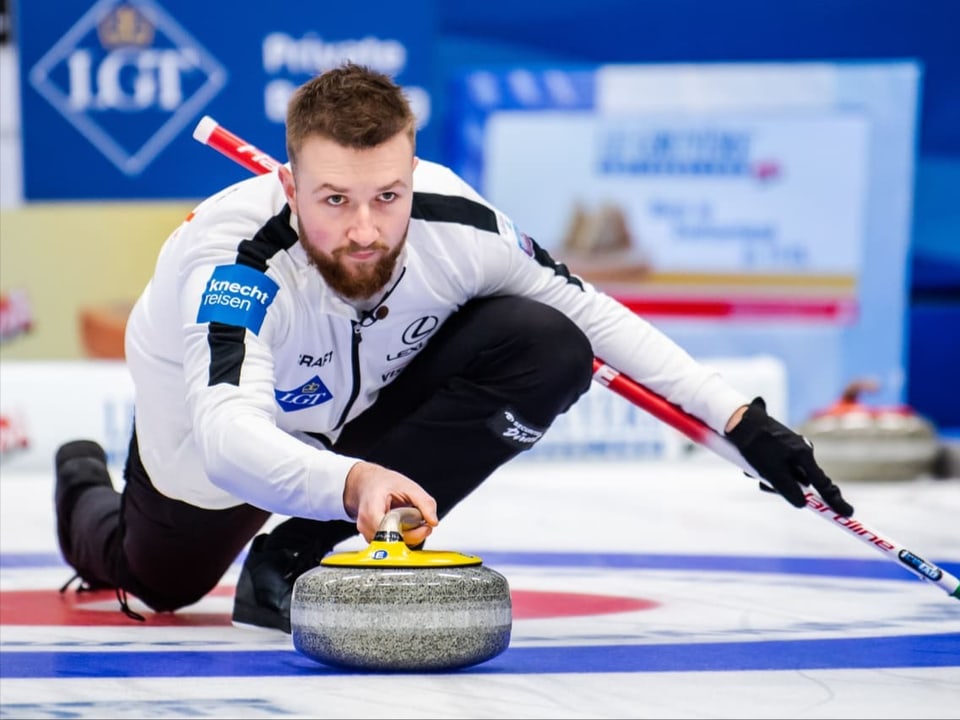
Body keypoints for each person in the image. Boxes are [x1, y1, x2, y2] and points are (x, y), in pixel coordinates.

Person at [54, 62, 853, 633]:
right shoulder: (234, 263)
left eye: (387, 196)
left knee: (549, 344)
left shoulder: (458, 224)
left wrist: (741, 420)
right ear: (290, 187)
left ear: (412, 172)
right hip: (210, 433)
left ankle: (297, 557)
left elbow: (596, 316)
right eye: (334, 199)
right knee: (158, 583)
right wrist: (357, 478)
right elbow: (231, 442)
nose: (365, 230)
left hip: (360, 402)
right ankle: (81, 477)